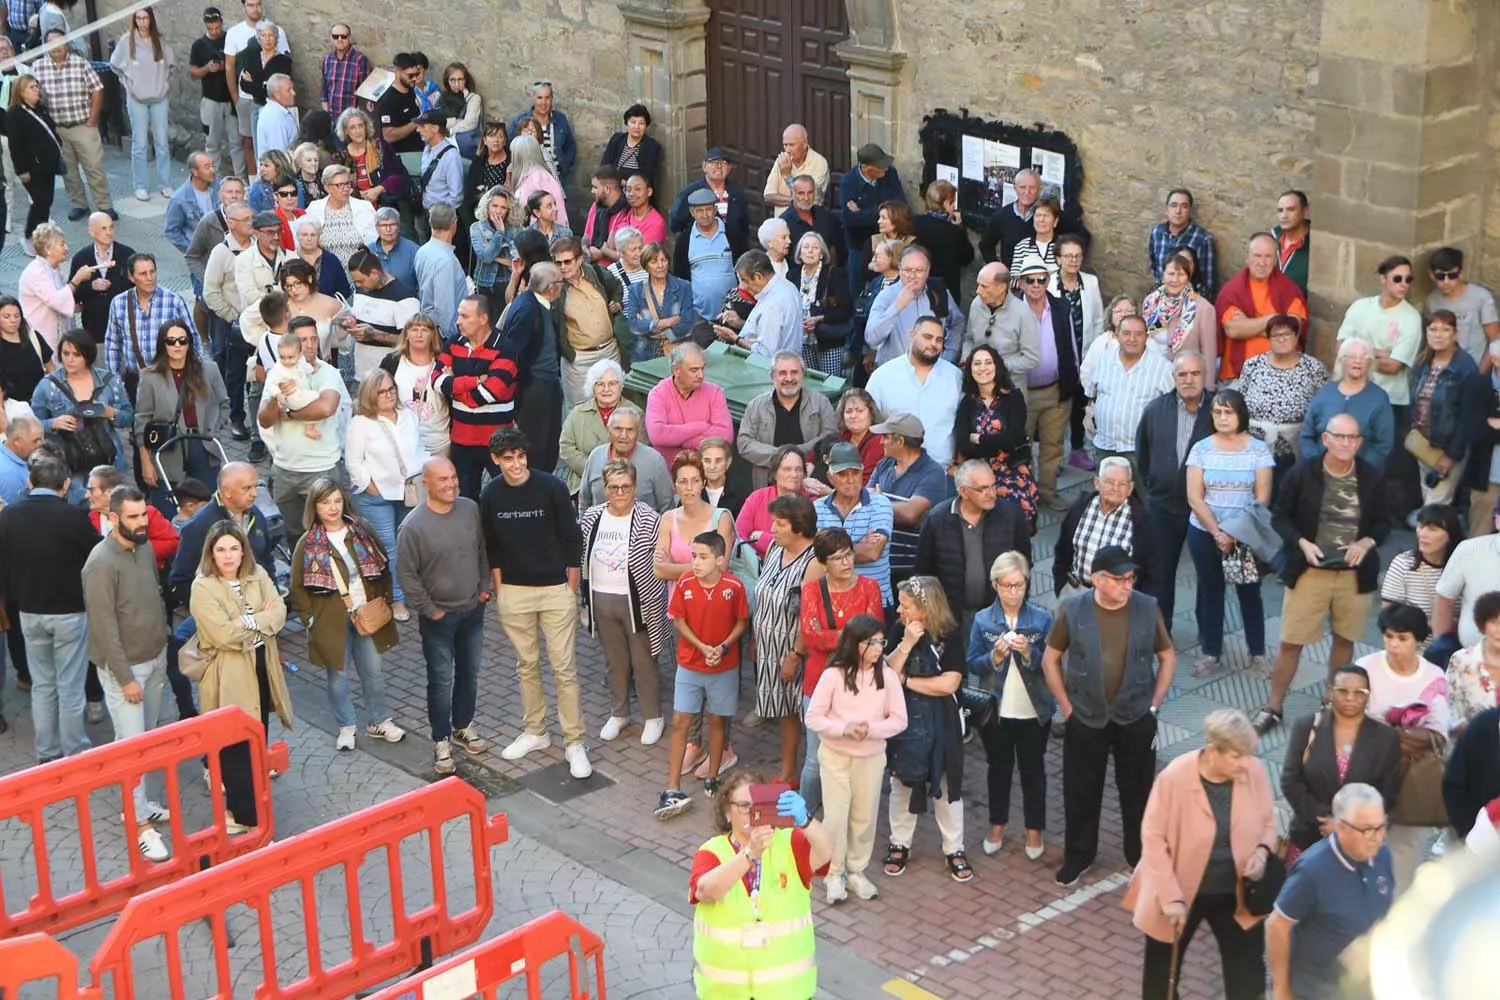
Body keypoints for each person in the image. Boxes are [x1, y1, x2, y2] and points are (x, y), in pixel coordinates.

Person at [1042, 545, 1176, 885]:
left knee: (1138, 792)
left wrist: (1155, 705)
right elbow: (1050, 659)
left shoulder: (1147, 607)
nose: (1127, 586)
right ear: (1098, 579)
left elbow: (1168, 656)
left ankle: (1140, 855)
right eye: (1119, 579)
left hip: (1136, 717)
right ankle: (1079, 856)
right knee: (1081, 791)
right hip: (1086, 717)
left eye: (1130, 578)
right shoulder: (1073, 609)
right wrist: (1067, 708)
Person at [1125, 709, 1275, 999]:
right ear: (1212, 750)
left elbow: (1268, 822)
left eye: (1248, 754)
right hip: (1180, 891)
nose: (1245, 763)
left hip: (1236, 892)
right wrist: (1171, 898)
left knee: (1248, 979)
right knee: (1161, 982)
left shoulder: (1252, 769)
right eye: (1236, 756)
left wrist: (1261, 851)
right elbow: (1153, 839)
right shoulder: (1175, 777)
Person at [1256, 414, 1388, 734]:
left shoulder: (1371, 476)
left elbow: (1385, 522)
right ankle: (1273, 706)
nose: (1346, 443)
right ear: (1325, 439)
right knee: (1291, 641)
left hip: (1353, 575)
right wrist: (1301, 543)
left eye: (1352, 438)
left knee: (1344, 640)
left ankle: (1332, 703)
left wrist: (1367, 542)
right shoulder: (1303, 473)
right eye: (1339, 437)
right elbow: (1279, 516)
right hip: (1310, 571)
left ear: (1360, 442)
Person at [479, 428, 591, 777]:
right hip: (513, 591)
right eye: (508, 458)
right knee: (526, 665)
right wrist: (500, 589)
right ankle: (536, 732)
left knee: (564, 669)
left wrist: (570, 585)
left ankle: (574, 742)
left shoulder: (552, 488)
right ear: (496, 461)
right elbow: (491, 545)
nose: (516, 464)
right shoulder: (491, 495)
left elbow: (572, 537)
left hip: (555, 589)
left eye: (520, 456)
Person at [688, 772, 830, 998]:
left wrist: (806, 821)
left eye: (758, 805)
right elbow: (706, 891)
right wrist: (749, 854)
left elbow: (827, 852)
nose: (752, 812)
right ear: (727, 812)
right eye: (744, 805)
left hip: (786, 993)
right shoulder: (712, 851)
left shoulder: (789, 843)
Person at [288, 477, 405, 751]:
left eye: (337, 501)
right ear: (314, 506)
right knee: (338, 676)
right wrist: (310, 621)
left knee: (373, 672)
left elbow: (383, 564)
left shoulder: (361, 529)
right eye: (325, 502)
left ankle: (379, 720)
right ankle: (346, 725)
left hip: (367, 611)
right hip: (330, 619)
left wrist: (385, 601)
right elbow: (297, 587)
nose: (332, 508)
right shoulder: (308, 543)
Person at [189, 519, 289, 833]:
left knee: (258, 733)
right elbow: (222, 635)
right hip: (229, 671)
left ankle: (253, 807)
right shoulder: (202, 586)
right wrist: (261, 622)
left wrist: (245, 620)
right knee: (234, 745)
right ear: (211, 553)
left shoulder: (257, 575)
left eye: (234, 548)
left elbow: (280, 614)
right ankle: (245, 817)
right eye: (221, 550)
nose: (228, 556)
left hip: (261, 664)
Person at [0, 452, 99, 761]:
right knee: (69, 686)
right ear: (66, 484)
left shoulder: (9, 516)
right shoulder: (74, 517)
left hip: (29, 611)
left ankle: (47, 752)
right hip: (70, 612)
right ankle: (75, 751)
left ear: (30, 482)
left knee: (43, 685)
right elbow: (94, 559)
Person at [396, 456, 491, 774]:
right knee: (441, 680)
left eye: (453, 477)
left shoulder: (469, 509)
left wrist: (483, 588)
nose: (452, 484)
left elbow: (481, 549)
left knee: (470, 672)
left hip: (472, 610)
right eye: (443, 480)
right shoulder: (412, 526)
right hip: (439, 618)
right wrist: (429, 610)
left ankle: (463, 725)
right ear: (426, 485)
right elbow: (407, 576)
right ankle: (441, 740)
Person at [804, 613, 906, 904]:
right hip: (835, 756)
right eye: (871, 643)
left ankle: (856, 870)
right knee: (836, 816)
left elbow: (899, 719)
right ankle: (834, 873)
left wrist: (871, 730)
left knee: (864, 817)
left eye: (880, 642)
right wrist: (843, 729)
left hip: (871, 758)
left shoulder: (886, 675)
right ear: (854, 644)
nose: (878, 649)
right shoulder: (833, 675)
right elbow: (814, 716)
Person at [1266, 783, 1394, 1000]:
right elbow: (1277, 926)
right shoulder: (1311, 872)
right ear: (1341, 827)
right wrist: (1281, 991)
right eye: (1367, 830)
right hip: (1314, 990)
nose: (1377, 837)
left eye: (1381, 827)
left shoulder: (1381, 855)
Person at [1355, 602, 1450, 892]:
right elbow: (1352, 720)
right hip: (1368, 770)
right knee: (1360, 838)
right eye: (1389, 636)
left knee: (1406, 847)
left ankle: (1396, 910)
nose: (1394, 645)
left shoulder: (1434, 676)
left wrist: (1388, 734)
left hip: (1414, 776)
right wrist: (1403, 735)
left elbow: (1438, 734)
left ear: (1419, 640)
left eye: (1402, 638)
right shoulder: (1366, 668)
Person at [655, 528, 749, 817]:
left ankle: (713, 777)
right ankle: (672, 786)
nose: (695, 562)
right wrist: (703, 646)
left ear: (720, 560)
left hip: (723, 667)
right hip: (689, 665)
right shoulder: (684, 582)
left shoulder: (734, 587)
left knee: (718, 721)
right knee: (681, 720)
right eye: (694, 555)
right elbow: (678, 620)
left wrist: (722, 646)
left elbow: (741, 622)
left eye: (702, 557)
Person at [880, 574, 968, 881]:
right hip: (905, 718)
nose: (899, 611)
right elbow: (885, 671)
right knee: (902, 781)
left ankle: (954, 848)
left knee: (946, 783)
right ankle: (899, 844)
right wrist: (906, 643)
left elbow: (949, 683)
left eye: (906, 605)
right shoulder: (898, 630)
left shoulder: (950, 633)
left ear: (925, 607)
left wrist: (907, 682)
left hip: (943, 719)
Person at [966, 551, 1054, 859]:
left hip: (1033, 709)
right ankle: (997, 825)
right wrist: (996, 657)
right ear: (995, 585)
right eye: (1006, 586)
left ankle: (1034, 831)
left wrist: (1030, 652)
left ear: (1027, 584)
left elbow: (1053, 666)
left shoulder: (1042, 618)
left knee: (1033, 770)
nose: (1013, 592)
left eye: (1018, 585)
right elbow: (973, 664)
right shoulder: (982, 619)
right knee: (998, 769)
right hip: (997, 709)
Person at [1183, 388, 1273, 676]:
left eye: (1228, 411)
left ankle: (1257, 653)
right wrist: (1217, 532)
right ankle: (1211, 652)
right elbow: (1194, 497)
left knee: (1249, 592)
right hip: (1205, 532)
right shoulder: (1201, 448)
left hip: (1243, 535)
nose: (1222, 417)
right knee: (1211, 590)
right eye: (1217, 412)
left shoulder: (1257, 449)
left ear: (1240, 414)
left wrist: (1233, 534)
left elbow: (1262, 498)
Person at [580, 459, 670, 745]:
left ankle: (653, 717)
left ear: (635, 488)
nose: (619, 492)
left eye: (625, 487)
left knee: (644, 663)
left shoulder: (649, 518)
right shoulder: (592, 517)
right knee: (615, 663)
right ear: (605, 489)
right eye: (614, 487)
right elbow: (582, 556)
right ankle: (619, 714)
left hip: (639, 603)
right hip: (602, 600)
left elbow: (659, 561)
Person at [1281, 663, 1403, 862]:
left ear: (1369, 694)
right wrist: (1324, 818)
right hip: (1309, 836)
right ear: (1330, 692)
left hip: (1359, 842)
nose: (1350, 698)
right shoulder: (1307, 726)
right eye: (1342, 691)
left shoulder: (1385, 737)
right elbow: (1290, 780)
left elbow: (1387, 794)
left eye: (1359, 692)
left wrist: (1343, 825)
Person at [1134, 352, 1214, 629]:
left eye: (1195, 374)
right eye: (1182, 374)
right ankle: (1159, 632)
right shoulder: (1156, 410)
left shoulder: (1220, 412)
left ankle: (1208, 639)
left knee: (1208, 575)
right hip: (1163, 508)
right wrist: (1155, 485)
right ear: (1174, 378)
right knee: (1159, 573)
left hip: (1206, 510)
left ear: (1205, 376)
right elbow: (1141, 455)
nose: (1189, 380)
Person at [749, 493, 821, 782]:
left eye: (779, 524)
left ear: (799, 527)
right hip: (768, 646)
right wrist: (756, 638)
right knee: (783, 711)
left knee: (798, 712)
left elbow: (808, 613)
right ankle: (789, 769)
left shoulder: (814, 561)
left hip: (793, 648)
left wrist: (795, 655)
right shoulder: (777, 550)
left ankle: (800, 773)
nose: (773, 529)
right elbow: (764, 594)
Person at [345, 368, 424, 621]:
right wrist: (370, 486)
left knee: (405, 546)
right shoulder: (360, 423)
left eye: (392, 389)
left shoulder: (407, 415)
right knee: (389, 548)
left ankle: (405, 591)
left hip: (408, 491)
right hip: (376, 497)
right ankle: (397, 600)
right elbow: (353, 462)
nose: (389, 395)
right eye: (382, 391)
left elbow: (419, 449)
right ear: (370, 394)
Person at [258, 323, 348, 539]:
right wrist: (275, 398)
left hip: (321, 468)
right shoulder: (276, 373)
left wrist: (288, 413)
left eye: (314, 339)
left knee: (329, 534)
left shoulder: (328, 373)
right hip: (284, 470)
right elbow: (264, 419)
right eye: (303, 339)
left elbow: (325, 408)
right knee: (294, 535)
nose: (309, 345)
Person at [134, 319, 228, 516]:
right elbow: (142, 421)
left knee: (209, 508)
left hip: (203, 446)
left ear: (189, 343)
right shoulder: (150, 376)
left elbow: (224, 403)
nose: (177, 345)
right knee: (169, 510)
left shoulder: (209, 370)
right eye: (171, 341)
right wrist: (146, 461)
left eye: (182, 340)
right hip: (168, 448)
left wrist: (213, 427)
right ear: (163, 344)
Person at [31, 330, 132, 503]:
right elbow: (33, 425)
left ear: (88, 354)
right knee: (76, 510)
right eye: (65, 353)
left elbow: (128, 417)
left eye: (76, 354)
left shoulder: (109, 381)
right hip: (69, 464)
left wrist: (110, 413)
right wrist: (53, 423)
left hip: (108, 461)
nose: (70, 359)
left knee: (111, 509)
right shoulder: (48, 385)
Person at [434, 294, 517, 499]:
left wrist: (453, 384)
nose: (458, 321)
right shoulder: (453, 342)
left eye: (464, 316)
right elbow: (435, 382)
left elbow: (486, 395)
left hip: (498, 439)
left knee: (506, 497)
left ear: (483, 319)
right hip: (462, 440)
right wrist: (475, 381)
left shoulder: (505, 348)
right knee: (464, 499)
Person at [32, 30, 115, 221]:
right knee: (68, 170)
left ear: (67, 44)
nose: (56, 47)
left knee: (94, 166)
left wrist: (93, 119)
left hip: (83, 125)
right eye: (51, 43)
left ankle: (104, 205)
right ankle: (79, 205)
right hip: (58, 129)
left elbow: (97, 89)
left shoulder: (80, 64)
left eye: (60, 42)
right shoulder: (38, 67)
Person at [1237, 314, 1327, 486]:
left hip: (1295, 447)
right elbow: (1239, 402)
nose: (1282, 339)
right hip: (1254, 446)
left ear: (1296, 337)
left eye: (1287, 334)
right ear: (1269, 339)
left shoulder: (1313, 367)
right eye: (1276, 335)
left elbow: (1323, 409)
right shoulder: (1253, 365)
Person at [952, 345, 1036, 526]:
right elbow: (964, 445)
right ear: (970, 369)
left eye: (988, 362)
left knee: (1017, 524)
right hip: (979, 475)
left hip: (1012, 470)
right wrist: (998, 442)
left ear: (997, 366)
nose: (983, 368)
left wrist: (979, 439)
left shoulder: (1013, 397)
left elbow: (1013, 439)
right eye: (977, 364)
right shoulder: (967, 403)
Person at [865, 316, 963, 469]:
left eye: (939, 340)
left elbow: (965, 423)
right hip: (895, 472)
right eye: (927, 337)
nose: (933, 344)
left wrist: (958, 464)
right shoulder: (882, 377)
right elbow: (867, 426)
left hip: (944, 471)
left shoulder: (955, 377)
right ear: (911, 335)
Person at [1407, 310, 1481, 506]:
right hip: (1423, 443)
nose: (1438, 335)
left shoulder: (1465, 368)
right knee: (1429, 499)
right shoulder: (1423, 362)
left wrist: (1450, 456)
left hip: (1446, 449)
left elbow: (1468, 419)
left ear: (1455, 334)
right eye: (1433, 329)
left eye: (1445, 329)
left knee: (1436, 505)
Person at [1084, 313, 1175, 467]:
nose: (1132, 339)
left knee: (1145, 492)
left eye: (1138, 334)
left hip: (1144, 451)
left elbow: (1174, 408)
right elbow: (1091, 395)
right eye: (1126, 333)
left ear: (1147, 337)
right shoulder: (1102, 361)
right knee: (1109, 490)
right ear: (1117, 335)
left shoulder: (1163, 368)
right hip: (1106, 447)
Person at [1215, 232, 1308, 380]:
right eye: (1257, 256)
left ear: (1275, 260)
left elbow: (1292, 331)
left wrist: (1249, 325)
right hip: (1238, 376)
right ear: (1247, 257)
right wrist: (1275, 320)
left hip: (1282, 374)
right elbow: (1233, 329)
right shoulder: (1233, 289)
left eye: (1268, 256)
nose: (1262, 262)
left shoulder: (1289, 289)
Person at [737, 352, 836, 490]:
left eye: (794, 372)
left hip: (809, 484)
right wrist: (780, 456)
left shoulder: (821, 403)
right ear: (773, 376)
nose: (789, 378)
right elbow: (744, 443)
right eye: (782, 373)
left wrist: (798, 455)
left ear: (803, 374)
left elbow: (830, 436)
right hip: (767, 484)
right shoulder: (756, 406)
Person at [814, 442, 895, 610]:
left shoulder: (881, 504)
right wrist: (860, 544)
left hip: (874, 603)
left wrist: (830, 553)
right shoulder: (817, 508)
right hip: (832, 602)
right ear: (830, 478)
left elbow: (873, 552)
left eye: (856, 473)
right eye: (843, 474)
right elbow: (814, 557)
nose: (851, 480)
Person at [549, 237, 628, 403]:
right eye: (558, 263)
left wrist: (616, 302)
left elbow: (616, 286)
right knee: (579, 411)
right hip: (579, 359)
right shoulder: (553, 287)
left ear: (579, 260)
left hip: (610, 352)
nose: (562, 267)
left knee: (614, 404)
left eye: (567, 262)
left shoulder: (596, 272)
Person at [1299, 338, 1394, 473]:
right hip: (1319, 471)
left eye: (1364, 357)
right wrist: (1317, 465)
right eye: (1352, 357)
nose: (1358, 361)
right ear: (1342, 360)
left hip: (1362, 474)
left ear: (1370, 363)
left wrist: (1355, 471)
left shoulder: (1379, 398)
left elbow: (1383, 444)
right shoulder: (1325, 393)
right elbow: (1307, 435)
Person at [110, 7, 175, 203]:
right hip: (136, 99)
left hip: (159, 97)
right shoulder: (126, 40)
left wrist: (165, 84)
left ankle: (165, 183)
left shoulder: (159, 41)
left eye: (145, 18)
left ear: (151, 19)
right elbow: (115, 65)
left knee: (162, 142)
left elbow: (171, 66)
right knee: (139, 144)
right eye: (138, 18)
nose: (142, 22)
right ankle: (140, 185)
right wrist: (128, 85)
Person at [105, 253, 200, 386]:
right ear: (131, 277)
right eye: (143, 274)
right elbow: (113, 345)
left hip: (169, 380)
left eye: (152, 272)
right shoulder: (119, 303)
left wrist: (193, 376)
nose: (150, 278)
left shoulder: (173, 301)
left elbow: (193, 339)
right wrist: (116, 384)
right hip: (135, 380)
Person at [863, 246, 962, 366]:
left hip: (932, 371)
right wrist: (897, 306)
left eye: (919, 270)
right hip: (896, 372)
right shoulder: (886, 296)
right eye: (908, 270)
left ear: (928, 271)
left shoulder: (939, 292)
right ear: (899, 269)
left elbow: (958, 322)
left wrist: (949, 355)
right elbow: (871, 338)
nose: (912, 276)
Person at [644, 343, 733, 466]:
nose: (701, 375)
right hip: (667, 471)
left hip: (705, 472)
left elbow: (725, 435)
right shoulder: (658, 394)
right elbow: (657, 435)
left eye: (702, 368)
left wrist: (685, 442)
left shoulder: (714, 392)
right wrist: (701, 427)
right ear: (676, 370)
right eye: (694, 370)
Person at [1382, 503, 1462, 639]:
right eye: (1421, 526)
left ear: (1450, 535)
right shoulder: (1404, 563)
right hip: (1412, 646)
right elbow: (1388, 616)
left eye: (1433, 529)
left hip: (1455, 646)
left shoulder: (1462, 566)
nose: (1423, 534)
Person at [6, 73, 66, 255]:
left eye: (37, 86)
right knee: (39, 203)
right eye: (31, 87)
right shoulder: (15, 114)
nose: (36, 90)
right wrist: (21, 170)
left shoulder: (41, 108)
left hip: (48, 164)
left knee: (46, 202)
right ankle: (28, 236)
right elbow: (15, 144)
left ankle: (40, 236)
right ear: (21, 92)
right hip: (32, 167)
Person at [378, 314, 450, 460]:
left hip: (438, 442)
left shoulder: (444, 363)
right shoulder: (393, 362)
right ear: (406, 334)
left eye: (424, 330)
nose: (419, 334)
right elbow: (377, 395)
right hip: (402, 441)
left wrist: (450, 379)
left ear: (432, 335)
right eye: (414, 329)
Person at [867, 412, 954, 531]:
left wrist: (878, 503)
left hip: (913, 547)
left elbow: (910, 514)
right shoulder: (884, 464)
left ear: (900, 441)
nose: (881, 441)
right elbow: (864, 500)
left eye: (885, 437)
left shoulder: (933, 473)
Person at [560, 359, 637, 492]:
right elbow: (566, 447)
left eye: (612, 383)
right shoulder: (578, 413)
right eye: (600, 384)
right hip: (584, 480)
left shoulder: (635, 413)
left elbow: (642, 448)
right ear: (592, 387)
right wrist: (594, 469)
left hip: (626, 482)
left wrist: (616, 473)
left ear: (621, 386)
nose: (606, 389)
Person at [838, 143, 905, 294]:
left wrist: (862, 213)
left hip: (888, 242)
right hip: (860, 245)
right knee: (858, 289)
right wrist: (885, 211)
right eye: (880, 167)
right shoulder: (849, 182)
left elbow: (901, 207)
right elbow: (850, 220)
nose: (886, 169)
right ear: (866, 167)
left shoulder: (890, 175)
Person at [578, 404, 672, 512]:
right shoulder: (596, 456)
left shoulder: (654, 461)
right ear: (608, 430)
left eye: (630, 430)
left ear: (638, 433)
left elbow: (667, 507)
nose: (623, 435)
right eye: (618, 429)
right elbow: (584, 502)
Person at [1143, 252, 1218, 381]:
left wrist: (1207, 388)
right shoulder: (1151, 302)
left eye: (1181, 275)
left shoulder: (1204, 309)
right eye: (1171, 274)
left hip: (1183, 379)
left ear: (1188, 278)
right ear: (1163, 276)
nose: (1175, 279)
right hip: (1149, 375)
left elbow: (1209, 354)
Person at [790, 231, 852, 376]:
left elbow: (846, 310)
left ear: (822, 254)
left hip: (828, 340)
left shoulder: (835, 274)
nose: (810, 251)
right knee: (809, 381)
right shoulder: (792, 275)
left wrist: (820, 318)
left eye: (815, 247)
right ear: (799, 254)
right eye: (805, 247)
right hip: (801, 341)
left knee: (829, 382)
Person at [1426, 245, 1499, 367]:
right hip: (1444, 370)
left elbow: (1494, 339)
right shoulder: (1431, 301)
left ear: (1461, 273)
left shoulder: (1481, 297)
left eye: (1452, 275)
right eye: (1440, 276)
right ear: (1431, 275)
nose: (1446, 281)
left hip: (1474, 367)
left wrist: (1480, 373)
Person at [19, 223, 86, 352]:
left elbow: (64, 299)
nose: (66, 248)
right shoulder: (37, 272)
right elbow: (56, 301)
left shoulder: (54, 269)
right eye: (61, 244)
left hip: (58, 334)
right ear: (48, 248)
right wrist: (76, 280)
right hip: (43, 336)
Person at [624, 240, 695, 363]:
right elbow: (634, 324)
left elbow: (687, 324)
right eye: (654, 261)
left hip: (676, 354)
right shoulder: (635, 291)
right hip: (645, 354)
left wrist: (657, 332)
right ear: (646, 265)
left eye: (663, 260)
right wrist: (661, 324)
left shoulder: (684, 287)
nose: (660, 265)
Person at [69, 215, 133, 352]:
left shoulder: (127, 255)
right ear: (91, 232)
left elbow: (137, 288)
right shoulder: (81, 258)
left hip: (124, 327)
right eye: (104, 228)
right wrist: (91, 286)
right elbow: (73, 294)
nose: (109, 232)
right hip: (94, 329)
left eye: (111, 227)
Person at [303, 163, 379, 266]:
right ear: (327, 188)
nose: (346, 189)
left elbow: (376, 241)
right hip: (328, 271)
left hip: (361, 270)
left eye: (348, 184)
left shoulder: (365, 207)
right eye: (340, 185)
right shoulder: (314, 209)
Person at [1446, 592, 1500, 735]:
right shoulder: (1461, 661)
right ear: (1482, 624)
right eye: (1494, 622)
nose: (1499, 630)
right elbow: (1450, 713)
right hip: (1472, 745)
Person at [735, 249, 804, 360]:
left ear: (758, 277)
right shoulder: (788, 286)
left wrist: (736, 339)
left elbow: (766, 354)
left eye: (744, 280)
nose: (742, 287)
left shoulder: (772, 305)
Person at [335, 107, 409, 211]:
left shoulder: (380, 147)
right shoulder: (340, 157)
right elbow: (336, 187)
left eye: (361, 125)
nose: (358, 131)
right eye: (352, 127)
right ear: (346, 131)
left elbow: (398, 175)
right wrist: (357, 197)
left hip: (384, 208)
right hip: (354, 210)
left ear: (366, 127)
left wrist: (379, 189)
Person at [1148, 188, 1218, 296]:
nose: (1178, 211)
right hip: (1161, 299)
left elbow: (1208, 283)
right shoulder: (1157, 232)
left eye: (1184, 206)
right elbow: (1154, 267)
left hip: (1189, 302)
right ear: (1166, 209)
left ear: (1189, 211)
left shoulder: (1203, 239)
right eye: (1174, 205)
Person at [413, 204, 467, 341]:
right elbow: (444, 308)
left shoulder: (422, 251)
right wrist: (453, 338)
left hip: (430, 326)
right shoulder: (446, 261)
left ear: (430, 223)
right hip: (443, 335)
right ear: (454, 224)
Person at [507, 81, 575, 187]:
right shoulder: (520, 120)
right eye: (539, 98)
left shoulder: (560, 119)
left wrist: (566, 165)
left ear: (552, 99)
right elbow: (510, 147)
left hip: (557, 179)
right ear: (533, 99)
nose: (544, 102)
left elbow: (570, 145)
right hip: (528, 179)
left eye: (547, 98)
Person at [781, 173, 846, 273]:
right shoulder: (783, 223)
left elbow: (836, 246)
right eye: (801, 193)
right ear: (792, 194)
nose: (806, 198)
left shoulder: (825, 215)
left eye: (810, 192)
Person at [978, 168, 1041, 270]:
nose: (1027, 192)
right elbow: (985, 245)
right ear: (1015, 188)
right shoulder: (1002, 216)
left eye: (1032, 188)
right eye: (1022, 187)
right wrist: (999, 269)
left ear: (1040, 189)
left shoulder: (1049, 216)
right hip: (1011, 280)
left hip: (1040, 280)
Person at [469, 186, 520, 304]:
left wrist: (495, 257)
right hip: (485, 283)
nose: (498, 211)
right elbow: (486, 257)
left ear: (509, 210)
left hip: (509, 283)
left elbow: (516, 262)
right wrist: (499, 233)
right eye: (494, 206)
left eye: (503, 208)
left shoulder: (516, 229)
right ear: (487, 206)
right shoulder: (477, 227)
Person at [598, 104, 662, 192]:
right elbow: (604, 166)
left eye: (641, 123)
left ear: (646, 126)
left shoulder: (651, 146)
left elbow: (646, 178)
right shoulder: (616, 140)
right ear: (627, 123)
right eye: (633, 122)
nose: (637, 127)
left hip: (634, 192)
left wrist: (624, 183)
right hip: (611, 188)